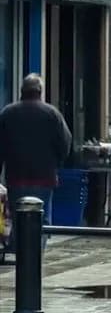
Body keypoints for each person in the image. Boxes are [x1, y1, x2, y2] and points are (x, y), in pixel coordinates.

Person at [0, 74, 72, 234]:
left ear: (21, 91)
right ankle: (37, 256)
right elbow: (65, 143)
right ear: (40, 91)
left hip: (16, 177)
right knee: (43, 219)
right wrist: (56, 164)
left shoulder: (8, 113)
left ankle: (22, 255)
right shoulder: (52, 114)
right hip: (44, 178)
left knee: (18, 219)